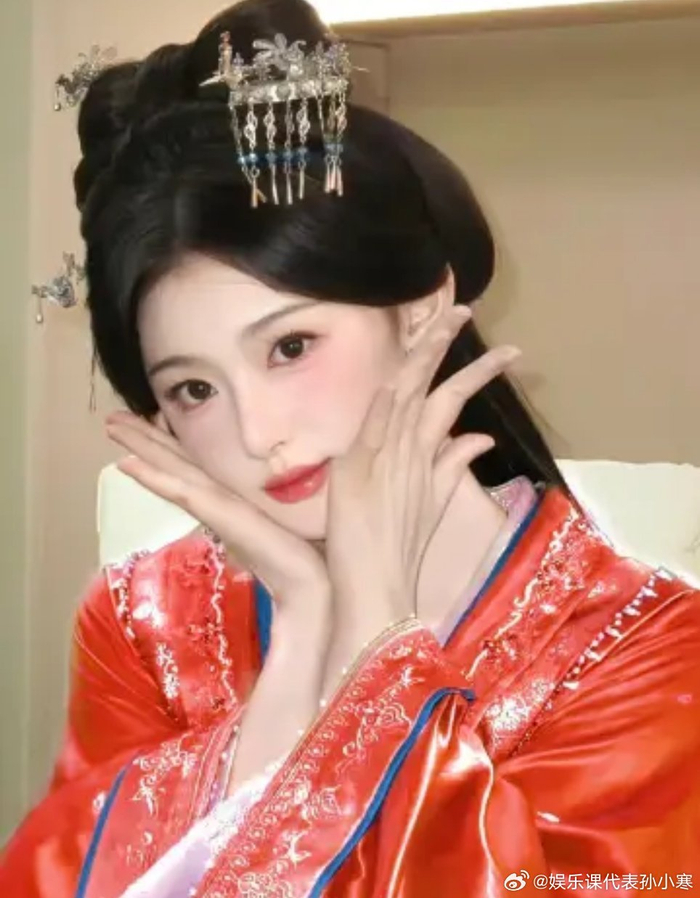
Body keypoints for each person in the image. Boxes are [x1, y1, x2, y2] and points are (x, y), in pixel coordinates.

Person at [2, 0, 699, 895]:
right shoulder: (145, 624)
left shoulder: (648, 648)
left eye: (291, 347)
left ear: (422, 311)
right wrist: (301, 634)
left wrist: (374, 634)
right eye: (194, 390)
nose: (258, 434)